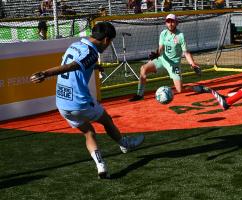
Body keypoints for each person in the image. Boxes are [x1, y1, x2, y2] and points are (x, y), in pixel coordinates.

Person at [30, 22, 144, 179]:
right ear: (106, 40)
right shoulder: (91, 53)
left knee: (89, 132)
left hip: (62, 104)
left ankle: (101, 166)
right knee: (107, 120)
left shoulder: (75, 45)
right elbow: (72, 66)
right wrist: (46, 73)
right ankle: (125, 144)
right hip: (80, 102)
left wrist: (94, 67)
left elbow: (75, 63)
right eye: (110, 42)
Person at [129, 14, 207, 101]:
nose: (170, 24)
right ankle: (140, 94)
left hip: (174, 64)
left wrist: (192, 64)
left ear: (176, 23)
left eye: (172, 21)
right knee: (143, 69)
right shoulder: (163, 33)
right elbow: (161, 47)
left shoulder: (180, 36)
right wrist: (157, 53)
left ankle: (198, 88)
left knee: (180, 90)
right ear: (166, 23)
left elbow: (186, 52)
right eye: (168, 22)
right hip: (163, 59)